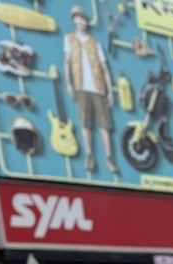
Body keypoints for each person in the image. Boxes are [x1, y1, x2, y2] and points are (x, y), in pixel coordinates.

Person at [63, 6, 115, 175]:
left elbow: (104, 67)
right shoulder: (69, 39)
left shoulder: (95, 43)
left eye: (83, 18)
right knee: (86, 124)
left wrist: (110, 91)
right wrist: (69, 84)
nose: (80, 21)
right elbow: (67, 63)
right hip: (81, 86)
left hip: (98, 88)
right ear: (74, 20)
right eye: (77, 18)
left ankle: (109, 157)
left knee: (104, 125)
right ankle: (90, 155)